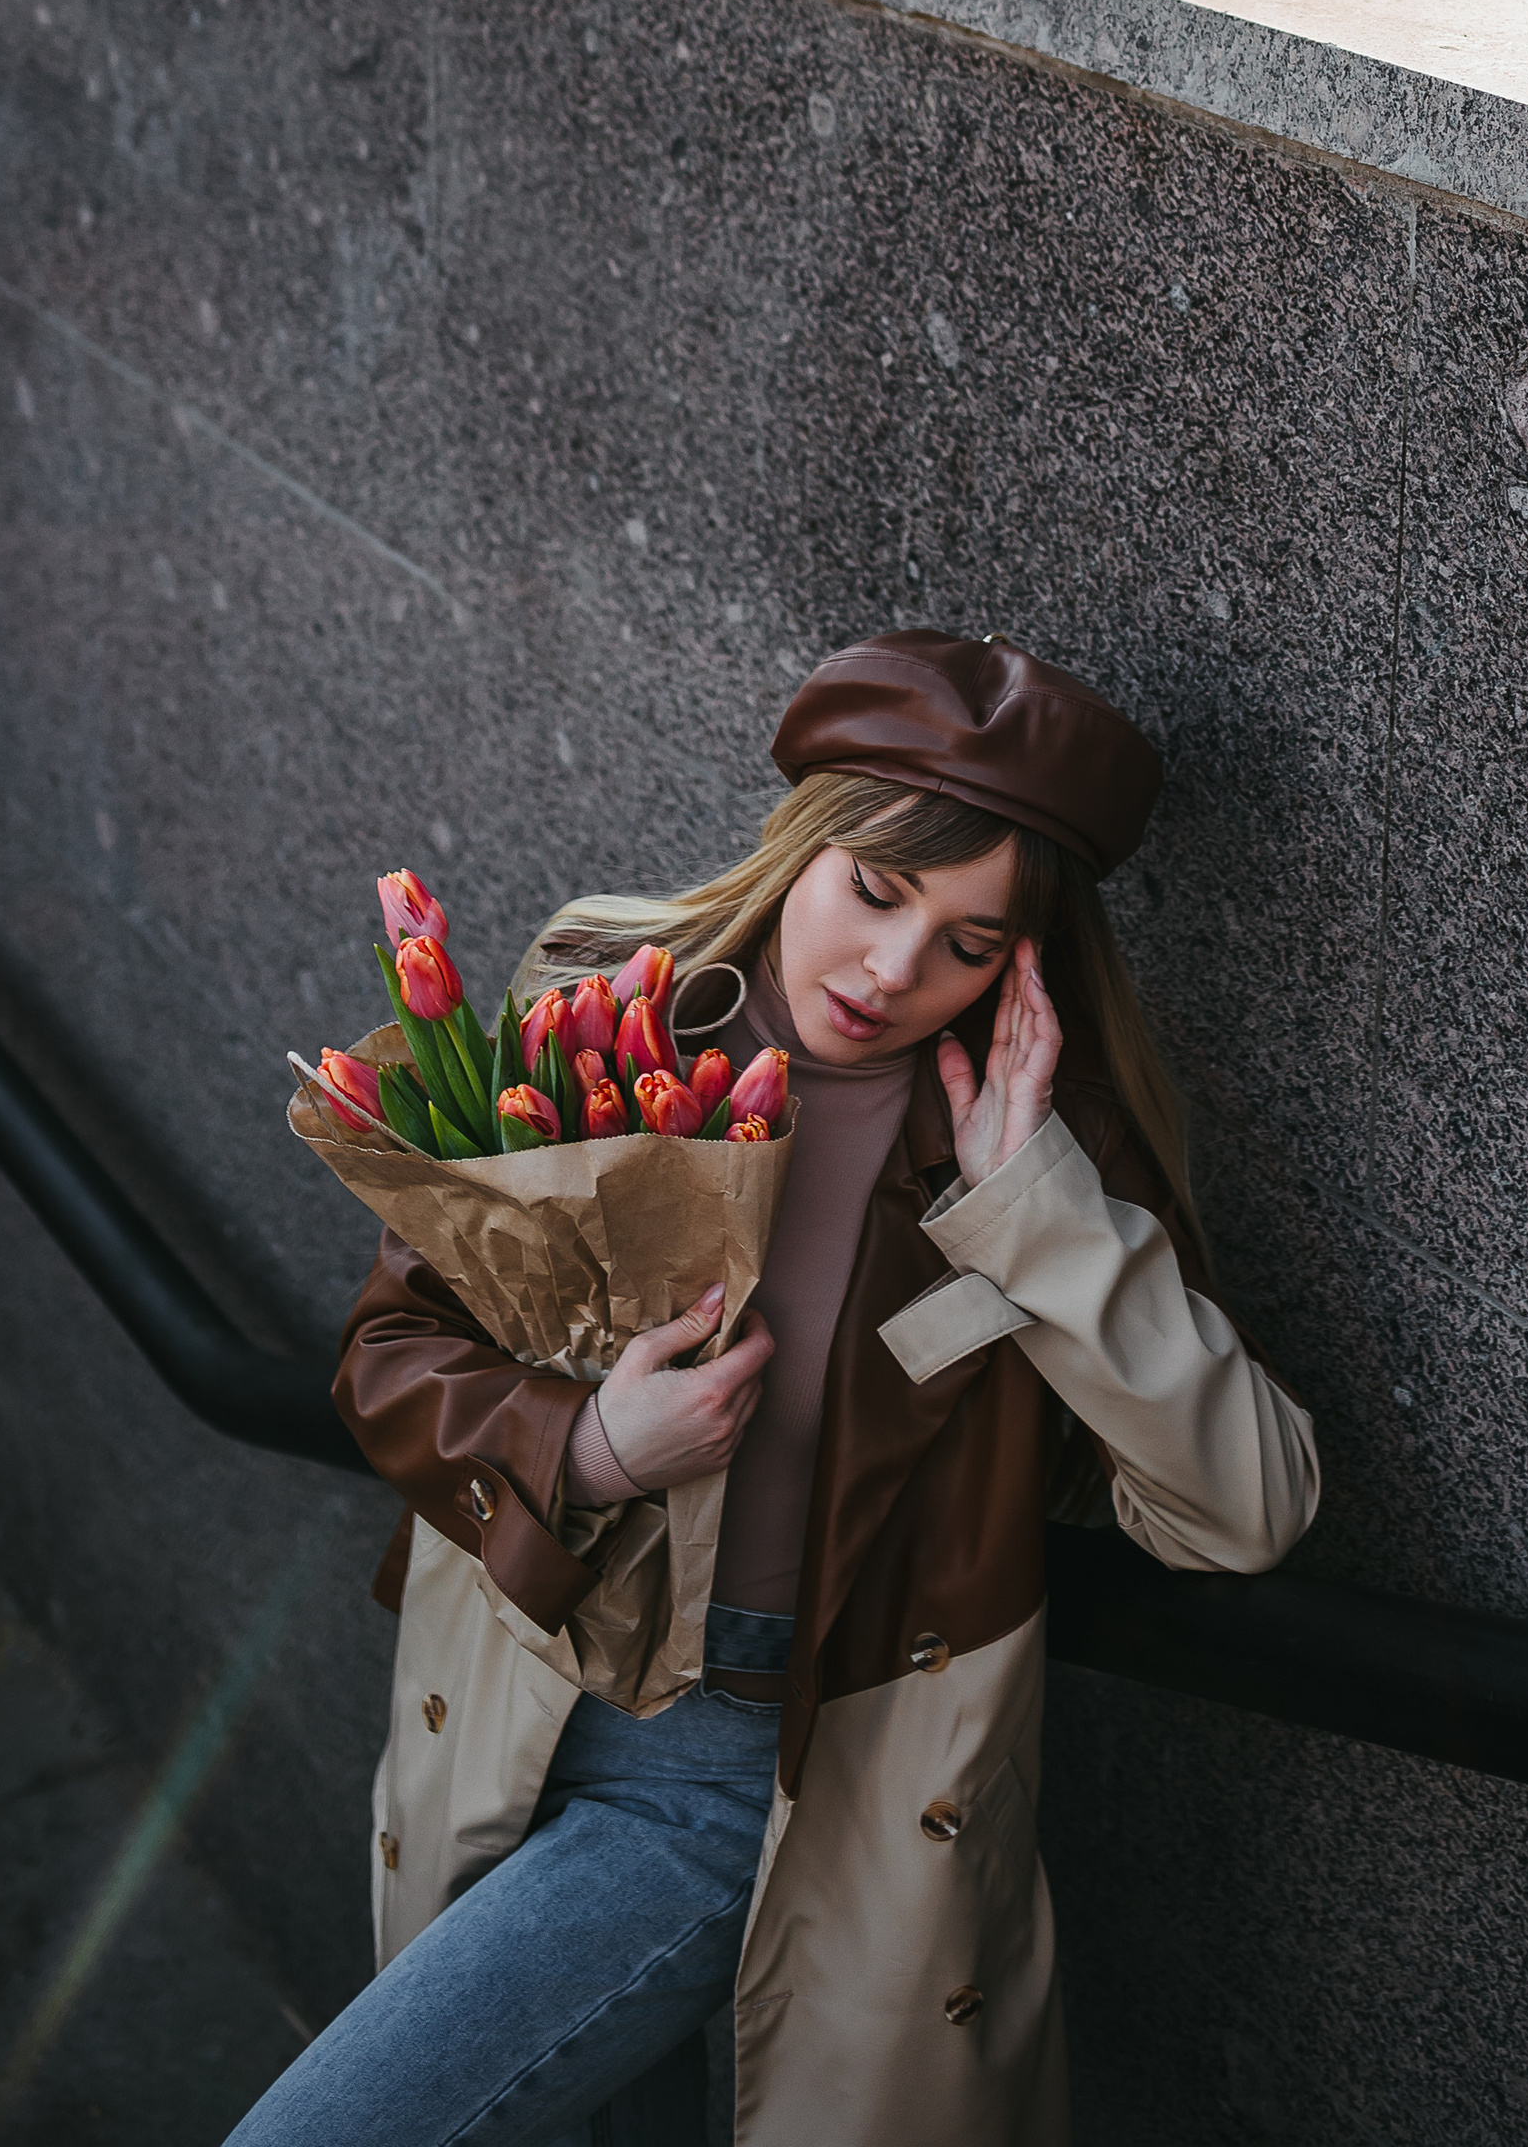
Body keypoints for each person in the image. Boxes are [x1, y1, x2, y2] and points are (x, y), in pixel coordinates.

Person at [230, 629, 1316, 2147]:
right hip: (511, 1702)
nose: (891, 972)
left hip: (752, 1773)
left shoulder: (1030, 1151)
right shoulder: (605, 1009)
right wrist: (593, 1444)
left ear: (1028, 965)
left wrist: (1038, 1215)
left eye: (971, 941)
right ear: (805, 846)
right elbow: (389, 1356)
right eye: (876, 890)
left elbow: (1246, 1514)